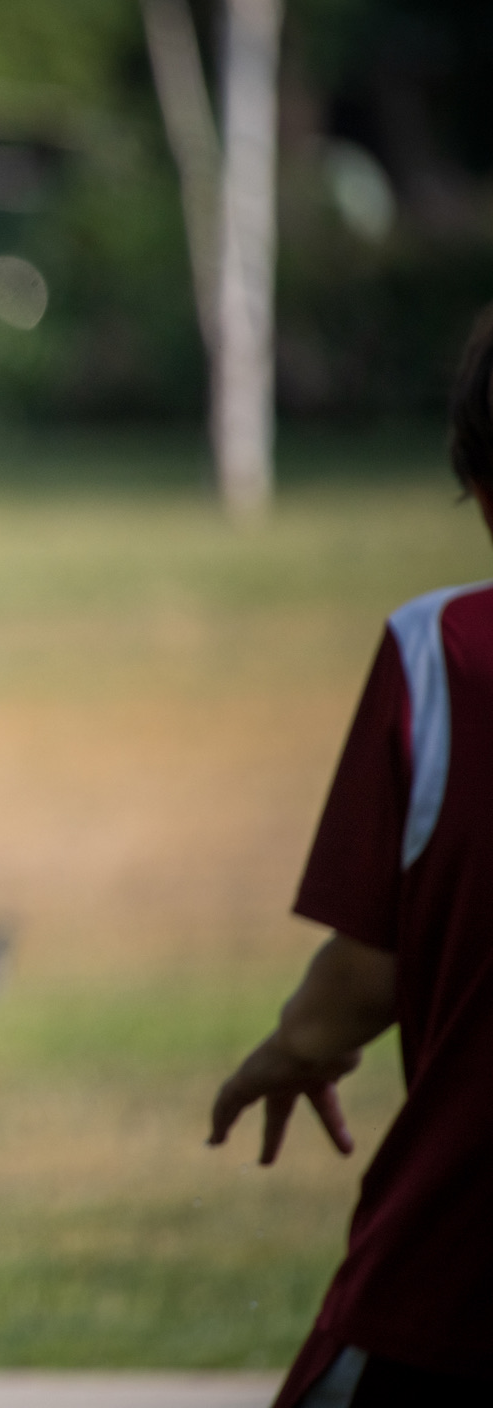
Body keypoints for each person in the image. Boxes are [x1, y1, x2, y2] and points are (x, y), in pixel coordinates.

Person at [207, 312, 493, 1408]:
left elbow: (356, 986)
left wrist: (292, 1047)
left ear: (476, 482)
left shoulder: (443, 660)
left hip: (452, 1287)